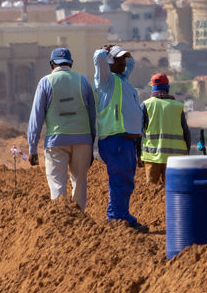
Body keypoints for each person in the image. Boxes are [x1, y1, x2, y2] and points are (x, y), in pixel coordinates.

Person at [26, 47, 96, 210]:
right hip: (82, 139)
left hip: (56, 141)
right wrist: (91, 143)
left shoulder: (45, 82)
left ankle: (61, 218)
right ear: (71, 63)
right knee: (79, 182)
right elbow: (92, 115)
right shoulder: (83, 81)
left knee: (57, 184)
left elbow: (36, 118)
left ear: (52, 64)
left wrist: (32, 148)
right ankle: (79, 221)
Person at [94, 44, 146, 231]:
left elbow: (131, 63)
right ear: (109, 62)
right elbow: (98, 60)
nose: (123, 62)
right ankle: (117, 218)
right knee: (120, 180)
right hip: (115, 139)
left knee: (125, 180)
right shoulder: (106, 81)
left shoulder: (123, 80)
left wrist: (122, 52)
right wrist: (104, 51)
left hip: (126, 141)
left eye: (123, 59)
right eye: (119, 59)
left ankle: (119, 214)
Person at [140, 72, 191, 186]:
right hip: (175, 160)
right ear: (167, 88)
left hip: (152, 158)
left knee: (152, 191)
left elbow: (138, 132)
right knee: (173, 191)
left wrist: (138, 155)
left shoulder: (145, 105)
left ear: (153, 88)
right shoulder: (178, 106)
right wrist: (186, 153)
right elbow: (186, 133)